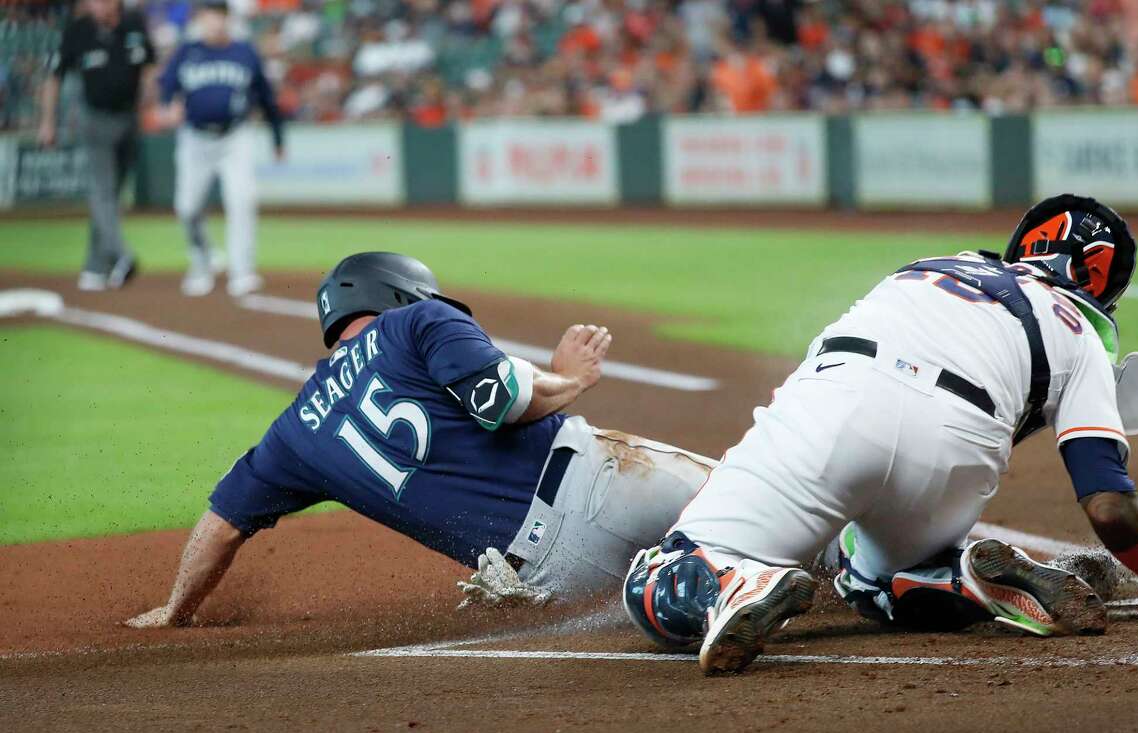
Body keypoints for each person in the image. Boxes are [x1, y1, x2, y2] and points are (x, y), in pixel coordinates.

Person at [624, 194, 1138, 675]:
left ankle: (734, 578)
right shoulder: (1082, 336)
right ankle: (964, 577)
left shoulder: (931, 267)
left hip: (841, 399)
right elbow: (1110, 508)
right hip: (955, 454)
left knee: (661, 580)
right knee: (872, 582)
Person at [125, 252, 713, 628]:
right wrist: (568, 379)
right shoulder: (415, 322)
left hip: (544, 578)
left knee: (675, 608)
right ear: (399, 295)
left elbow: (220, 525)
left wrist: (176, 610)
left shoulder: (293, 432)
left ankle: (674, 597)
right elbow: (501, 402)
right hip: (596, 487)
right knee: (759, 497)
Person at [158, 0, 284, 298]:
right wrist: (167, 105)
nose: (214, 22)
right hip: (194, 138)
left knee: (242, 200)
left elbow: (267, 98)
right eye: (208, 16)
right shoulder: (187, 52)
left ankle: (242, 272)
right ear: (200, 20)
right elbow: (166, 85)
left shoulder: (244, 52)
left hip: (235, 137)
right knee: (187, 207)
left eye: (218, 16)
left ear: (227, 19)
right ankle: (201, 263)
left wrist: (279, 138)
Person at [39, 0, 156, 291]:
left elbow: (150, 66)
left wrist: (150, 97)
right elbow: (54, 77)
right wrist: (47, 122)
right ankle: (122, 255)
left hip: (129, 119)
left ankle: (94, 267)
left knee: (111, 197)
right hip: (95, 121)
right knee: (103, 193)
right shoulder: (78, 30)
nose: (98, 5)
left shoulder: (133, 24)